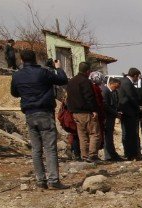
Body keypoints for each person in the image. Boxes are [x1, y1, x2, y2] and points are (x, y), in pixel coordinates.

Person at [10, 49, 69, 189]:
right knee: (50, 148)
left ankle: (40, 181)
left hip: (29, 114)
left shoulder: (17, 75)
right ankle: (54, 180)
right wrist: (58, 68)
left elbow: (14, 93)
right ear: (35, 59)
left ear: (22, 60)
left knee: (36, 149)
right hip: (44, 112)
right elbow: (63, 80)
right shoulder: (43, 72)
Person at [65, 61, 102, 162]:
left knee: (82, 135)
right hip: (86, 112)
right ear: (88, 71)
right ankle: (92, 155)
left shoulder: (71, 81)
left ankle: (84, 156)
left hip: (75, 113)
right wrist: (94, 110)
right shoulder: (85, 81)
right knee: (94, 133)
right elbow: (89, 97)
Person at [117, 68, 142, 160]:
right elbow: (131, 97)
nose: (138, 79)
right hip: (129, 112)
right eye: (138, 77)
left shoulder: (123, 81)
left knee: (127, 133)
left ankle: (129, 153)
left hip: (126, 111)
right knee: (130, 134)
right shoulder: (127, 83)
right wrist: (138, 107)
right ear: (135, 75)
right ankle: (130, 154)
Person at [101, 77, 122, 161]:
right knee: (107, 137)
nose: (116, 89)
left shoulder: (112, 92)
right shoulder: (105, 91)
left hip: (111, 117)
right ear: (111, 84)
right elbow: (105, 105)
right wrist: (115, 113)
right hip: (107, 117)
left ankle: (112, 154)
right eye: (116, 87)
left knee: (109, 137)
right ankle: (108, 155)